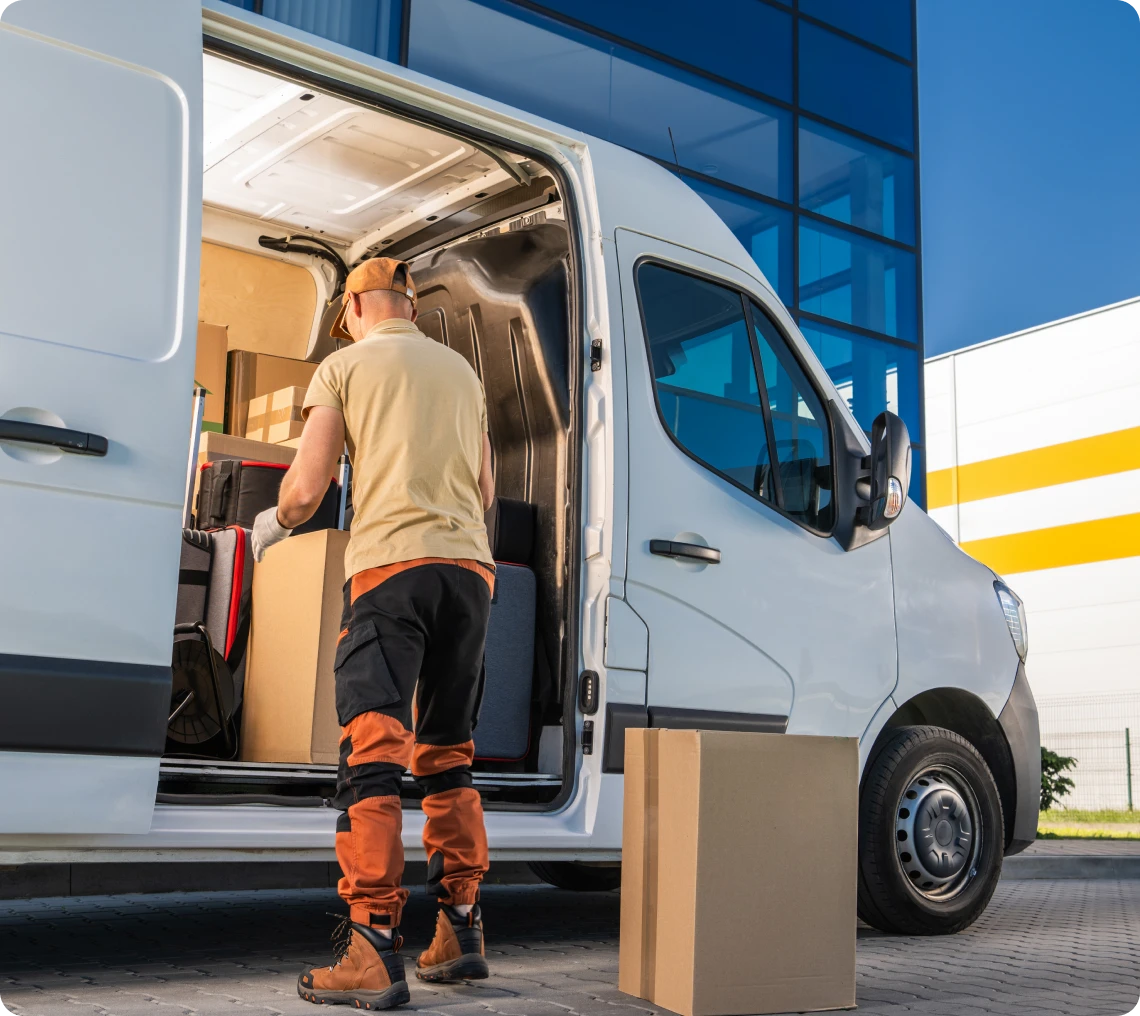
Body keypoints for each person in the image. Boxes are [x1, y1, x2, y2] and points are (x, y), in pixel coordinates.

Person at [250, 257, 496, 1011]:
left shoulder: (345, 366)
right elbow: (486, 488)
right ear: (411, 307)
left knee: (372, 752)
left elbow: (307, 484)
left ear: (355, 305)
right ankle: (459, 929)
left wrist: (271, 524)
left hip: (391, 569)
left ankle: (372, 946)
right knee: (448, 753)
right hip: (471, 574)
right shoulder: (460, 371)